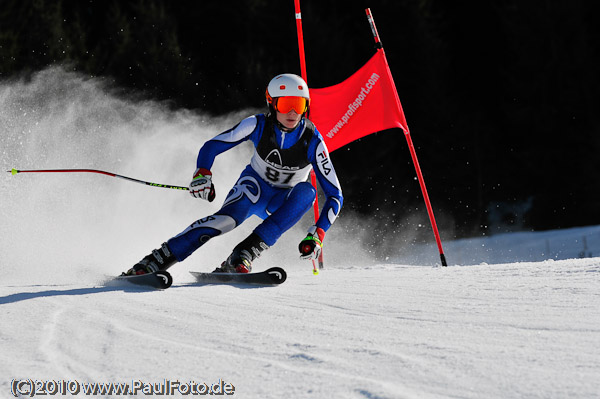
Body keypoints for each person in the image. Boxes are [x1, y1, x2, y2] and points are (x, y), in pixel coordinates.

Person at [124, 73, 343, 275]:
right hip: (253, 188)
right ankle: (154, 261)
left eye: (300, 105)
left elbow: (335, 196)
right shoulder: (257, 124)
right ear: (272, 103)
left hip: (281, 202)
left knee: (307, 192)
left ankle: (243, 254)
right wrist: (202, 173)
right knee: (225, 221)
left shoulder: (313, 141)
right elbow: (212, 146)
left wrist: (318, 234)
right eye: (286, 104)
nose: (293, 113)